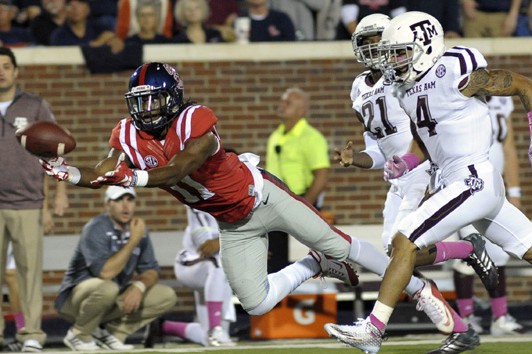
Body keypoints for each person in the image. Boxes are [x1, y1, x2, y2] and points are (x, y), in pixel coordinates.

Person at [40, 62, 498, 335]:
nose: (144, 110)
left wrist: (132, 177)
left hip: (262, 196)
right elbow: (104, 170)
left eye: (152, 100)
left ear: (173, 98)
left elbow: (178, 169)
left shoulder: (196, 118)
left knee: (343, 245)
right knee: (255, 304)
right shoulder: (127, 133)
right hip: (232, 223)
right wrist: (72, 174)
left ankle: (419, 290)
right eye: (137, 101)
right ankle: (311, 266)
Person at [324, 11, 532, 354]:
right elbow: (423, 137)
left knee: (404, 240)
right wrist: (407, 162)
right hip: (464, 182)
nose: (392, 60)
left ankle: (373, 329)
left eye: (400, 51)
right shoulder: (404, 87)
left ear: (425, 46)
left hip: (473, 178)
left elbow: (524, 85)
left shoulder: (454, 70)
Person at [334, 13, 496, 351]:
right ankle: (458, 323)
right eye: (365, 42)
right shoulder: (358, 88)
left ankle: (381, 328)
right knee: (392, 253)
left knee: (399, 251)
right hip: (399, 177)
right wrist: (357, 161)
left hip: (421, 168)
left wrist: (413, 160)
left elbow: (426, 124)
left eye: (377, 39)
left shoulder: (405, 74)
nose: (372, 48)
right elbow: (375, 149)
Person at [0, 46, 68, 353]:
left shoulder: (36, 106)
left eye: (5, 65)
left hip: (28, 202)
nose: (0, 71)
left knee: (29, 274)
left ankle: (31, 335)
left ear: (15, 71)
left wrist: (59, 191)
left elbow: (56, 150)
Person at [54, 186, 176, 351]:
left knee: (165, 295)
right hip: (75, 300)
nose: (125, 206)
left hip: (110, 297)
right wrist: (133, 241)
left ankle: (110, 335)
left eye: (130, 200)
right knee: (108, 288)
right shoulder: (96, 227)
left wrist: (139, 287)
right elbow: (105, 272)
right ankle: (79, 334)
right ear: (107, 205)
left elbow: (151, 270)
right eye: (119, 200)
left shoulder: (138, 230)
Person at [452, 96, 530, 336]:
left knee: (498, 251)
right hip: (468, 183)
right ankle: (466, 318)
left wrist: (515, 191)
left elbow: (508, 147)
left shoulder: (501, 102)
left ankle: (500, 317)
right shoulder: (457, 98)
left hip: (494, 188)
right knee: (470, 251)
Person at [145, 207, 236, 347]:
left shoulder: (237, 203)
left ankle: (162, 327)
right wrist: (236, 239)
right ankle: (215, 328)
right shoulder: (199, 202)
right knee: (219, 264)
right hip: (192, 264)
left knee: (210, 340)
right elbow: (205, 246)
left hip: (214, 273)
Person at [265, 86, 329, 272]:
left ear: (302, 111)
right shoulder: (276, 136)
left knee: (304, 258)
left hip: (301, 200)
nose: (282, 105)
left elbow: (321, 175)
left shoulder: (311, 137)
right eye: (282, 101)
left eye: (288, 103)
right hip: (276, 202)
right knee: (273, 257)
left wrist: (305, 205)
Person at [48, 0, 119, 47]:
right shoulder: (58, 35)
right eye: (70, 4)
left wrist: (114, 40)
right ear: (65, 11)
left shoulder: (101, 29)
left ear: (88, 9)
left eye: (80, 3)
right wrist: (96, 43)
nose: (75, 8)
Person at [335, 0, 406, 40]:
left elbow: (400, 20)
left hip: (385, 38)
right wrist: (363, 39)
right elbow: (349, 20)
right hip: (356, 39)